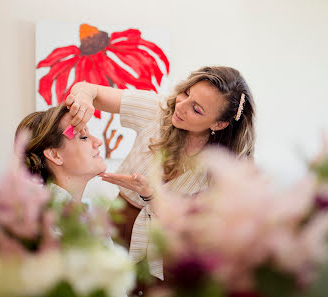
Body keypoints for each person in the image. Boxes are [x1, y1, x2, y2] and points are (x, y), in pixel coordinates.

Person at [65, 66, 256, 280]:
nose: (181, 106)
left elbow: (203, 232)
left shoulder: (222, 167)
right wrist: (82, 97)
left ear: (219, 124)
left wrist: (153, 197)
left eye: (197, 109)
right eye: (186, 93)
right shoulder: (157, 109)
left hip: (169, 250)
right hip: (118, 224)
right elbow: (92, 91)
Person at [15, 104, 106, 203]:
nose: (98, 141)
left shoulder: (85, 210)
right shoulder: (49, 215)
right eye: (83, 137)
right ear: (55, 155)